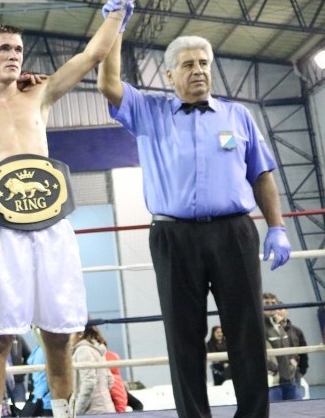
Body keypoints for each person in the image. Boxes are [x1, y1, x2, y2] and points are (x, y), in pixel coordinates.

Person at [0, 0, 145, 418]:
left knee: (60, 333)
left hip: (52, 224)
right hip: (0, 230)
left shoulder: (39, 94)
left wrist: (121, 0)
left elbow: (93, 55)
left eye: (18, 48)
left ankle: (62, 412)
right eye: (4, 49)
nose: (14, 55)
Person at [97, 22, 292, 417]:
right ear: (169, 75)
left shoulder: (238, 115)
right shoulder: (148, 111)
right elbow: (108, 80)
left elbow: (262, 175)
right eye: (188, 64)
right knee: (183, 335)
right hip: (173, 234)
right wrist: (119, 17)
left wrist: (277, 227)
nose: (199, 70)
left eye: (204, 62)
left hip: (234, 231)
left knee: (247, 331)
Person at [263, 293, 303, 401]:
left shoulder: (280, 327)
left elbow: (291, 347)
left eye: (273, 303)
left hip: (289, 379)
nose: (271, 306)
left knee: (299, 411)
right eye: (267, 303)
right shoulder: (258, 327)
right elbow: (258, 353)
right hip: (273, 382)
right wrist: (274, 369)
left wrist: (293, 364)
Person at [71, 326, 115, 415]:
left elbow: (89, 383)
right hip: (105, 408)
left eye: (69, 333)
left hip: (92, 412)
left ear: (80, 334)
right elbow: (110, 379)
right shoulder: (96, 349)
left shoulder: (83, 350)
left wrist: (76, 411)